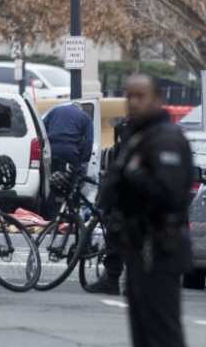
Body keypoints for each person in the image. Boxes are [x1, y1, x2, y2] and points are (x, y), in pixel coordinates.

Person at [100, 74, 193, 347]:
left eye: (141, 96)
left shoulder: (166, 139)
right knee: (142, 332)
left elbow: (169, 194)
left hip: (160, 245)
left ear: (158, 100)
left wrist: (136, 177)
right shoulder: (136, 137)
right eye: (129, 96)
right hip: (137, 246)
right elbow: (112, 191)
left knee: (162, 330)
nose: (134, 102)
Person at [85, 118, 132, 295]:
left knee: (116, 238)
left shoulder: (124, 148)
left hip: (125, 201)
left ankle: (111, 279)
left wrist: (103, 203)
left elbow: (115, 178)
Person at [42, 102, 93, 219]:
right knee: (71, 184)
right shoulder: (85, 117)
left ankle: (50, 214)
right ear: (80, 109)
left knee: (54, 182)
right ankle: (68, 213)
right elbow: (89, 141)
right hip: (70, 153)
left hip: (52, 151)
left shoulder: (54, 110)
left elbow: (41, 129)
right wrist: (82, 161)